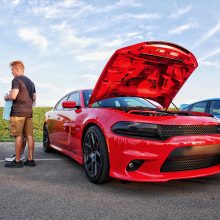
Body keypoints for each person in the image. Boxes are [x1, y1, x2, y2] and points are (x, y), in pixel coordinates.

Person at [4, 60, 36, 168]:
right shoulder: (31, 82)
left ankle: (17, 161)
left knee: (18, 136)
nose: (11, 72)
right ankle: (30, 160)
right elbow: (34, 98)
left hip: (18, 112)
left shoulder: (16, 80)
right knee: (30, 136)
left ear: (17, 69)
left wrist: (6, 96)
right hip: (29, 112)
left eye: (12, 70)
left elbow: (13, 96)